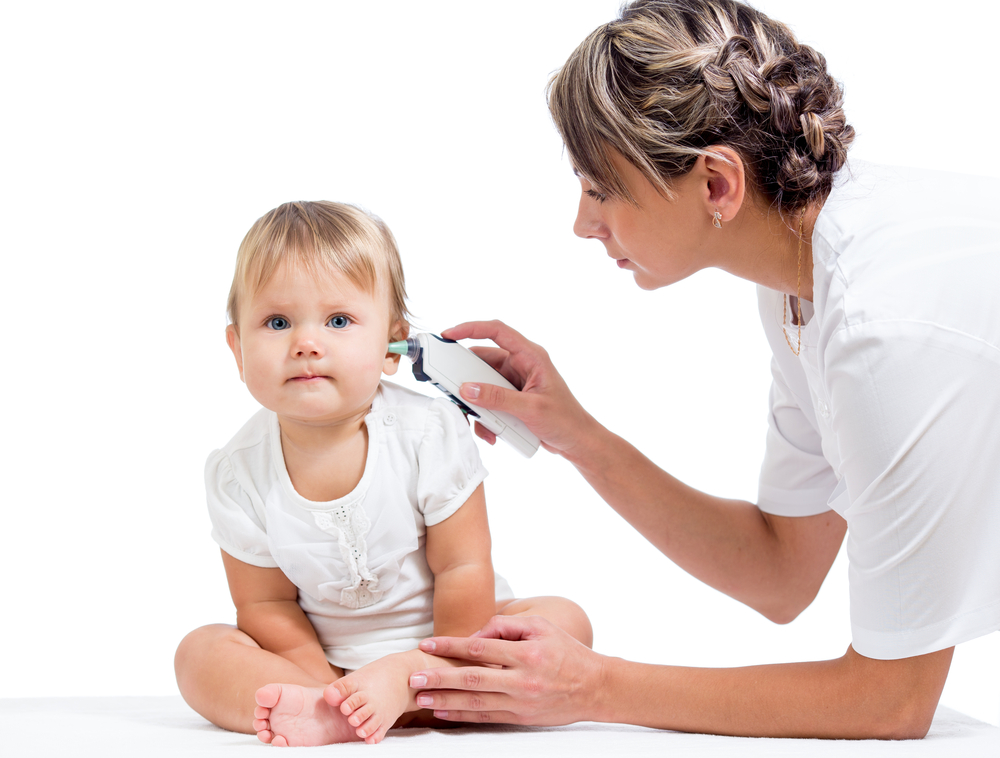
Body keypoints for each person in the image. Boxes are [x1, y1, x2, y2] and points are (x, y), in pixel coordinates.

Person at [405, 0, 1000, 740]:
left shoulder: (884, 331)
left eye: (600, 189)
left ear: (716, 184)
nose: (582, 223)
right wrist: (575, 436)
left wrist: (592, 686)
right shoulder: (800, 281)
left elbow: (890, 701)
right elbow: (781, 573)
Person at [173, 201, 592, 746]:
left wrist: (436, 668)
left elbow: (464, 566)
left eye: (338, 321)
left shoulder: (427, 431)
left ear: (392, 345)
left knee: (564, 620)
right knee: (199, 655)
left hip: (453, 647)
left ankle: (415, 696)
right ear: (237, 349)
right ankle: (331, 710)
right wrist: (327, 686)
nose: (306, 344)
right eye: (277, 323)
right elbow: (265, 604)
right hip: (328, 665)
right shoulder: (237, 472)